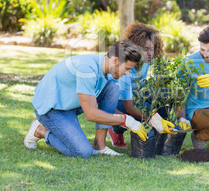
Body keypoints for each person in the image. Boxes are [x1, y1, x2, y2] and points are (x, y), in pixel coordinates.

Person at [24, 39, 175, 158]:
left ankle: (99, 145)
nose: (128, 73)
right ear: (116, 60)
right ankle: (41, 131)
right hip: (51, 109)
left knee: (112, 88)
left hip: (70, 104)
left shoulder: (108, 69)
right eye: (127, 68)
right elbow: (91, 114)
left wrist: (151, 119)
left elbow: (108, 109)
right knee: (83, 152)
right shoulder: (87, 70)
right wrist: (126, 121)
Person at [107, 22, 176, 149]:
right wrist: (154, 119)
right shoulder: (125, 69)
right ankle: (115, 129)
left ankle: (156, 135)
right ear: (135, 47)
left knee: (163, 96)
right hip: (117, 102)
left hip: (134, 96)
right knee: (142, 108)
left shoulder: (146, 60)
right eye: (145, 49)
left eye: (152, 49)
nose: (150, 53)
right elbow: (130, 107)